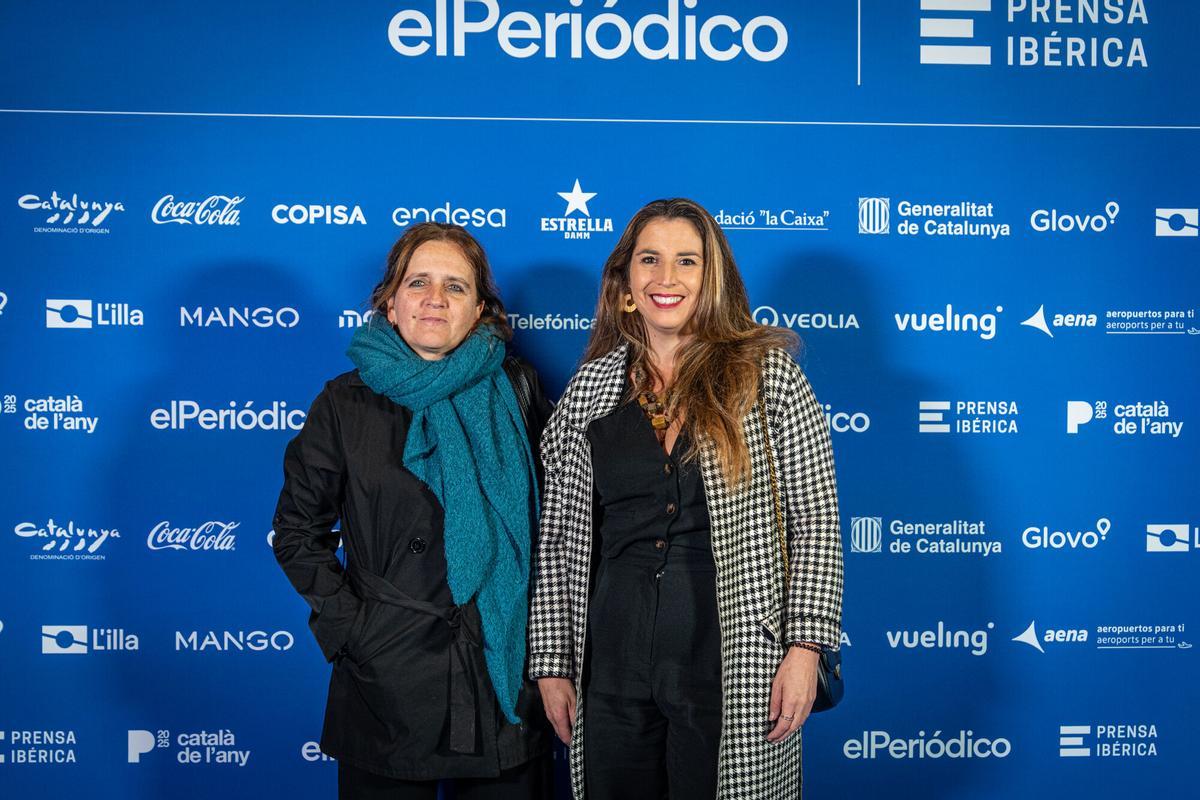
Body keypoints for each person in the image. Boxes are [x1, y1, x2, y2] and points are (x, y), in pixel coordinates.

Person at [528, 199, 843, 799]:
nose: (665, 279)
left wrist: (805, 647)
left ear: (712, 277)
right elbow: (559, 538)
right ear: (625, 280)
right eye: (650, 260)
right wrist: (552, 664)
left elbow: (815, 523)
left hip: (734, 651)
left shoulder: (768, 376)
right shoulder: (589, 389)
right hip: (610, 658)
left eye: (686, 262)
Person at [273, 222, 554, 800]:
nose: (434, 298)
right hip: (386, 674)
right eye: (418, 282)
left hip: (500, 662)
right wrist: (354, 629)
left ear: (479, 310)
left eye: (455, 287)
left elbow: (559, 527)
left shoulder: (519, 391)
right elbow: (297, 531)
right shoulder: (344, 402)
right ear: (390, 302)